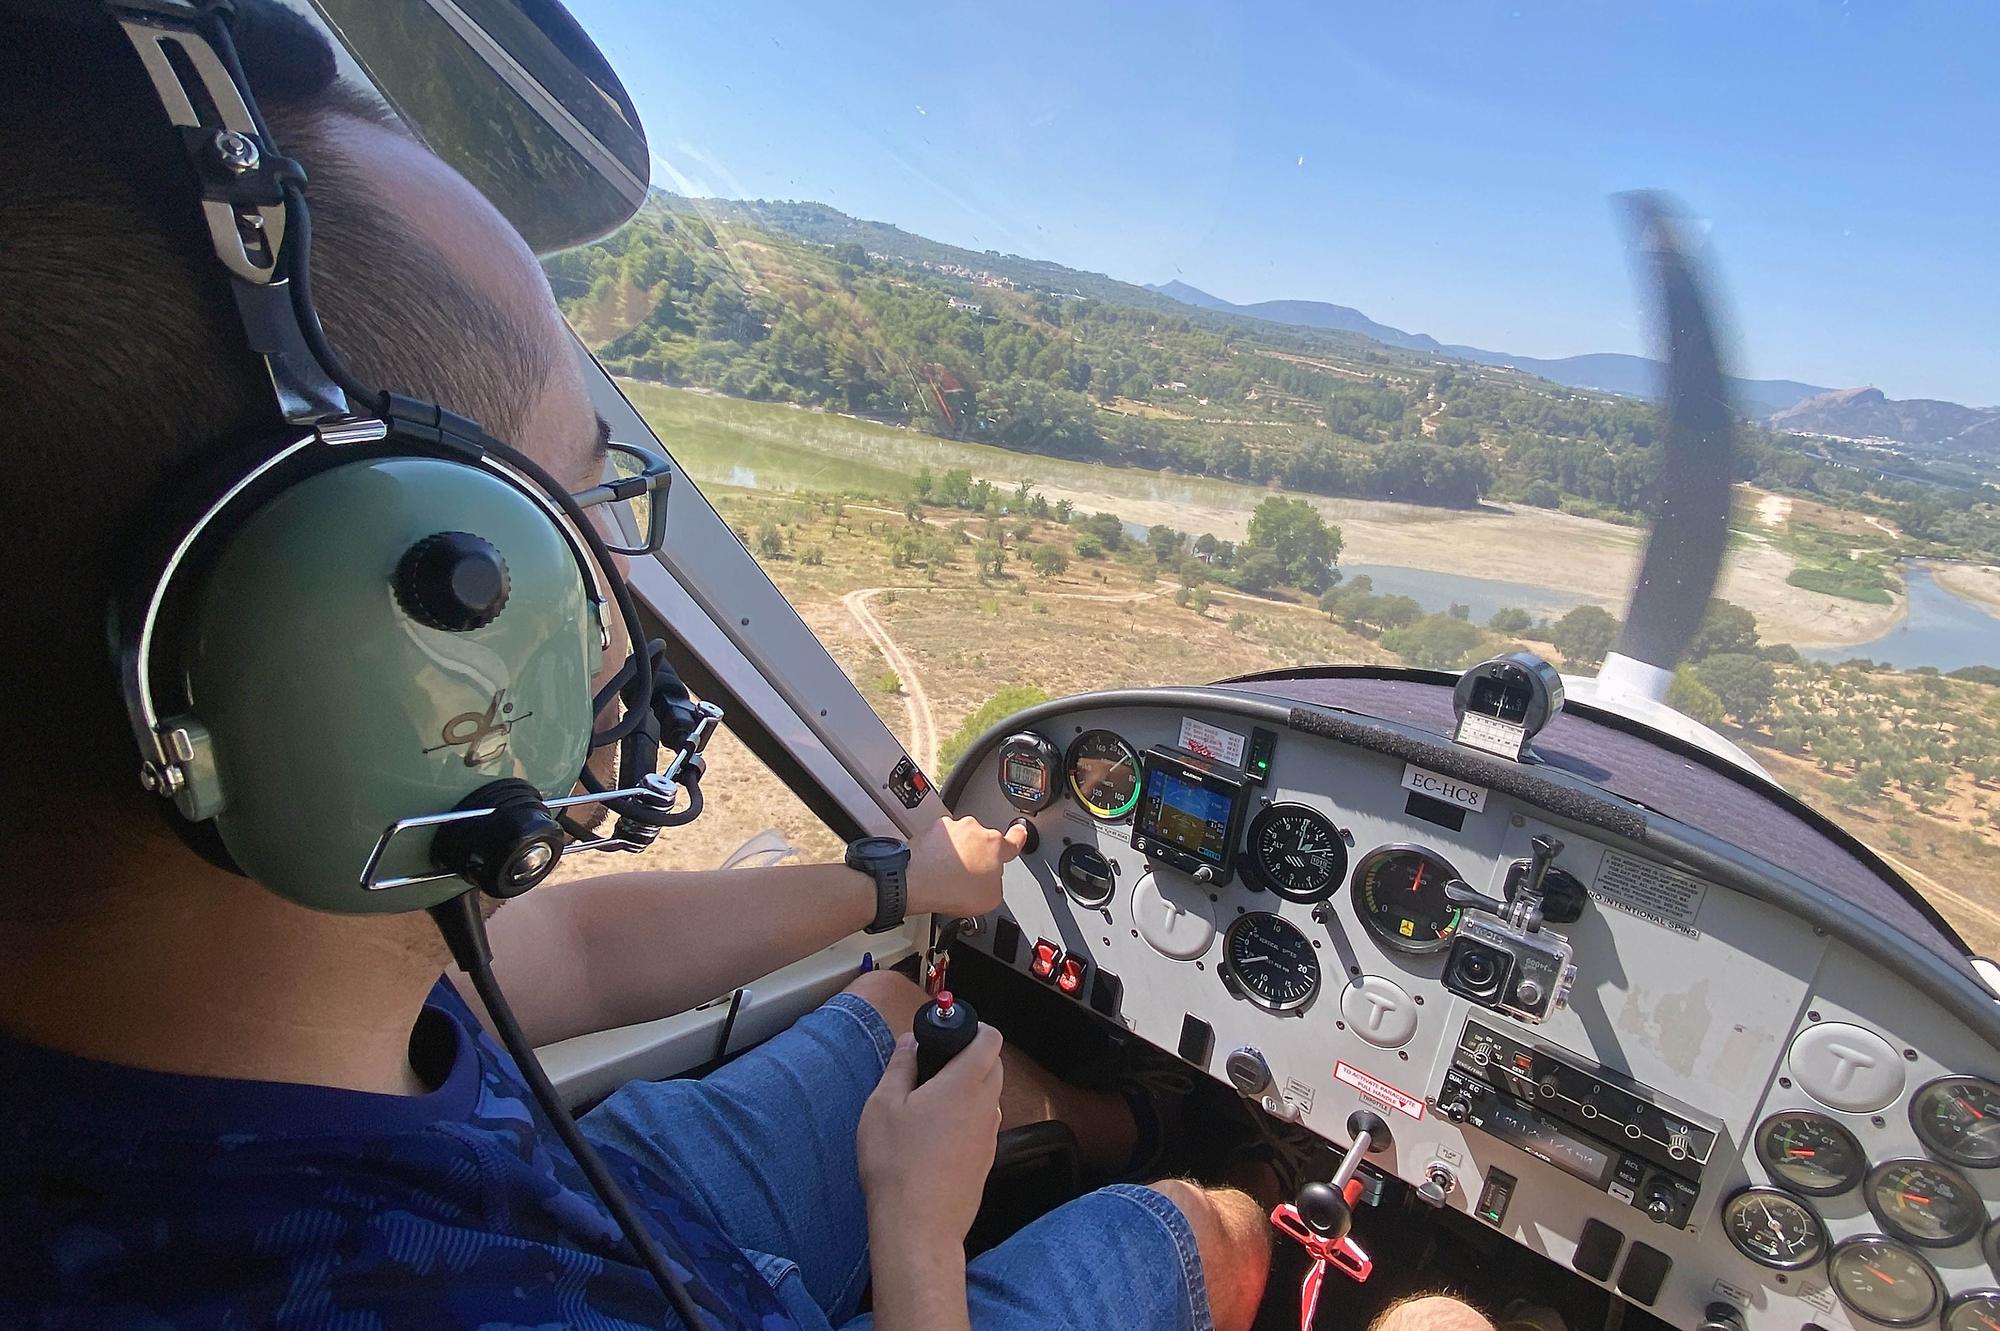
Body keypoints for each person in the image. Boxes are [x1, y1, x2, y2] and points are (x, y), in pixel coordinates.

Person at [0, 7, 1496, 1331]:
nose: (625, 593)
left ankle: (1134, 1117)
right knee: (1209, 1247)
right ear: (380, 638)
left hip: (569, 1193)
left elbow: (571, 957)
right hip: (635, 1268)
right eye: (580, 507)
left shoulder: (256, 972)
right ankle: (1230, 1202)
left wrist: (904, 880)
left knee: (898, 1013)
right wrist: (919, 1237)